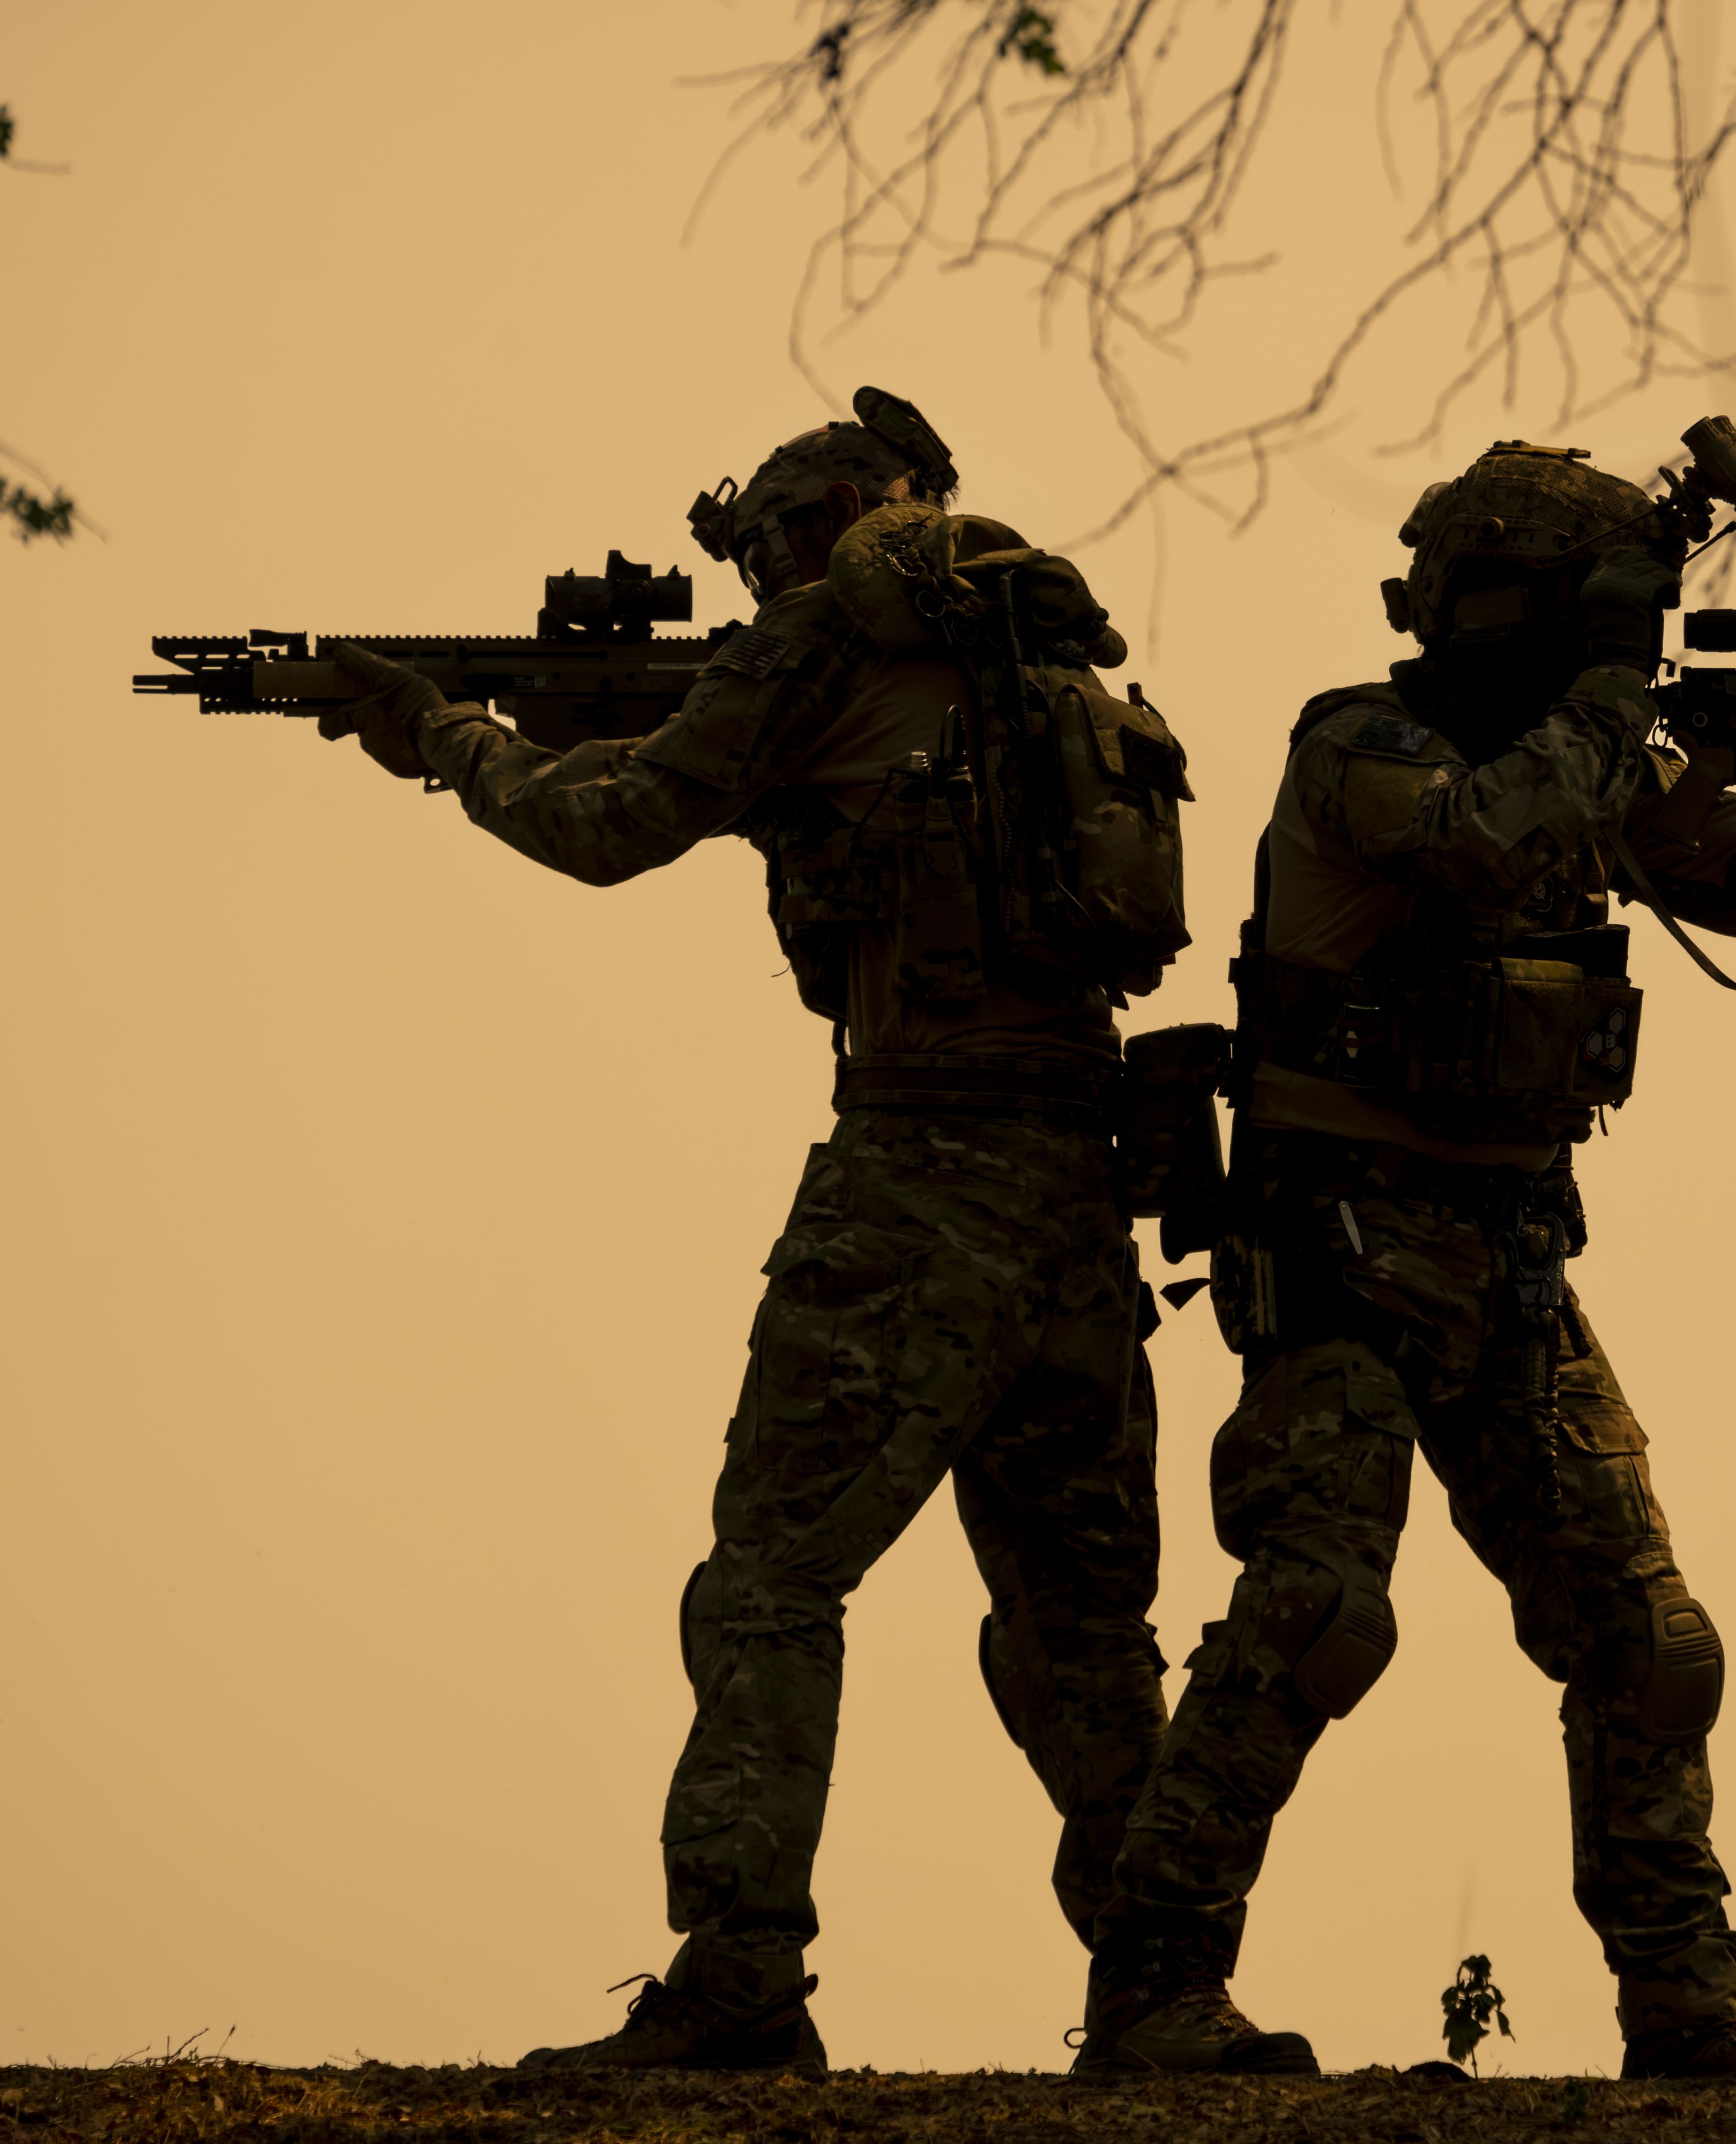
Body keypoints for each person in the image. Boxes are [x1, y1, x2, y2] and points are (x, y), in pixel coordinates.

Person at [1071, 438, 1736, 2081]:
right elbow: (1479, 844)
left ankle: (1685, 2004)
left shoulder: (1599, 760)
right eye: (1588, 607)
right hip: (1341, 1248)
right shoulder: (1364, 743)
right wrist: (1616, 687)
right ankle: (1155, 1987)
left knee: (1650, 1640)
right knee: (1319, 1609)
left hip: (1515, 1262)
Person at [312, 391, 1205, 2075]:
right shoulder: (1055, 667)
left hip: (914, 1183)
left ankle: (741, 1981)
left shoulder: (817, 644)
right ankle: (1165, 1993)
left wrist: (447, 738)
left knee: (772, 1583)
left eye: (763, 556)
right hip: (1079, 1186)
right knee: (1082, 1629)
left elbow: (605, 828)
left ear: (818, 527)